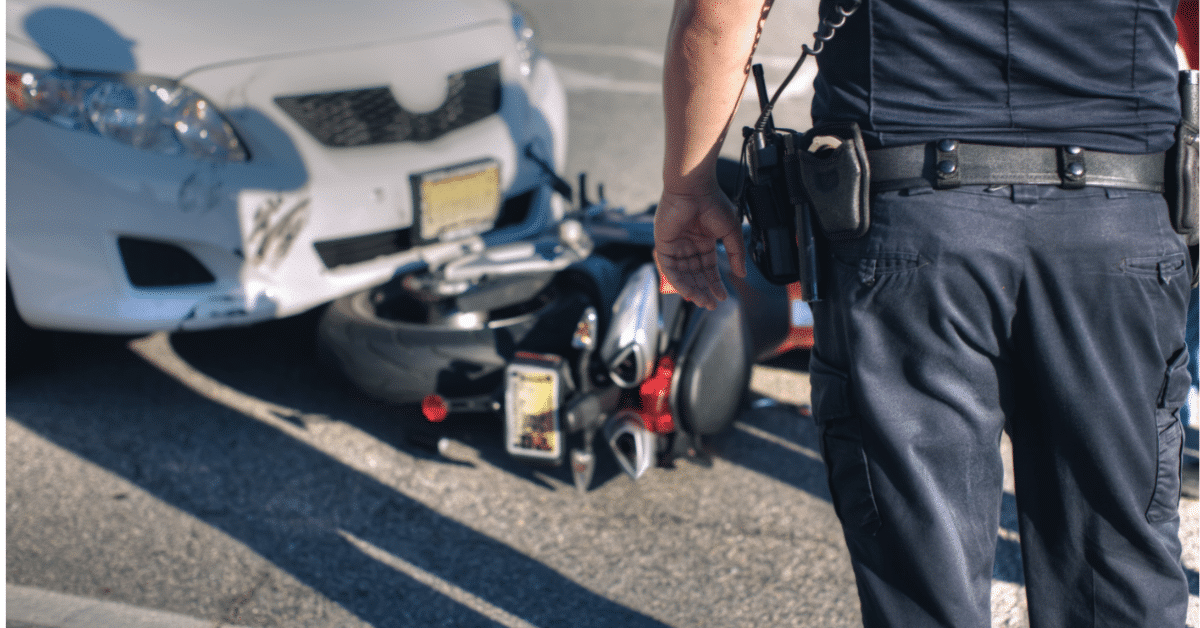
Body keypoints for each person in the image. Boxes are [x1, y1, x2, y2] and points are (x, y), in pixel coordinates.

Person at [654, 0, 1193, 626]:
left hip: (913, 229)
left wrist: (687, 188)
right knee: (1117, 574)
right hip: (1116, 222)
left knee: (921, 574)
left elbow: (719, 11)